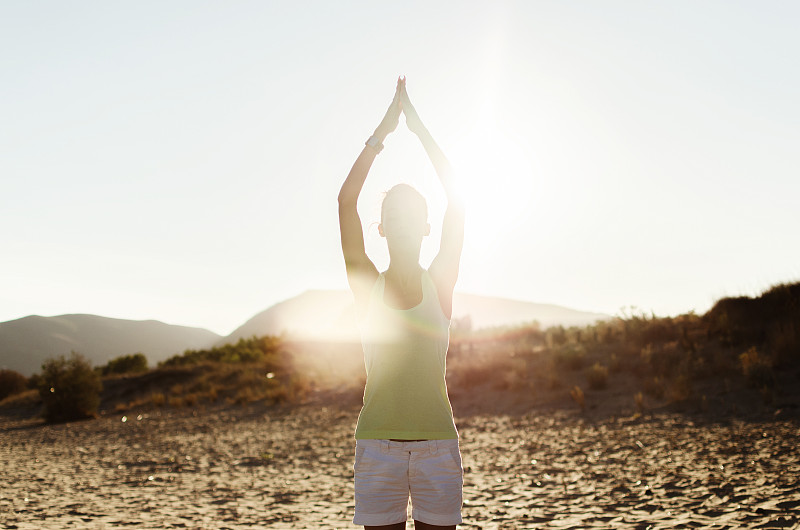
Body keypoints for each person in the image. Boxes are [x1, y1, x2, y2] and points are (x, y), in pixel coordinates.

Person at [338, 77, 465, 530]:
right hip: (377, 447)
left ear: (427, 227)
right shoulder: (367, 287)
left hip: (437, 446)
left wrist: (418, 128)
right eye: (393, 216)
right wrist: (383, 133)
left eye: (413, 216)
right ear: (382, 230)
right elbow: (346, 200)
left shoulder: (440, 284)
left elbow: (458, 199)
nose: (404, 222)